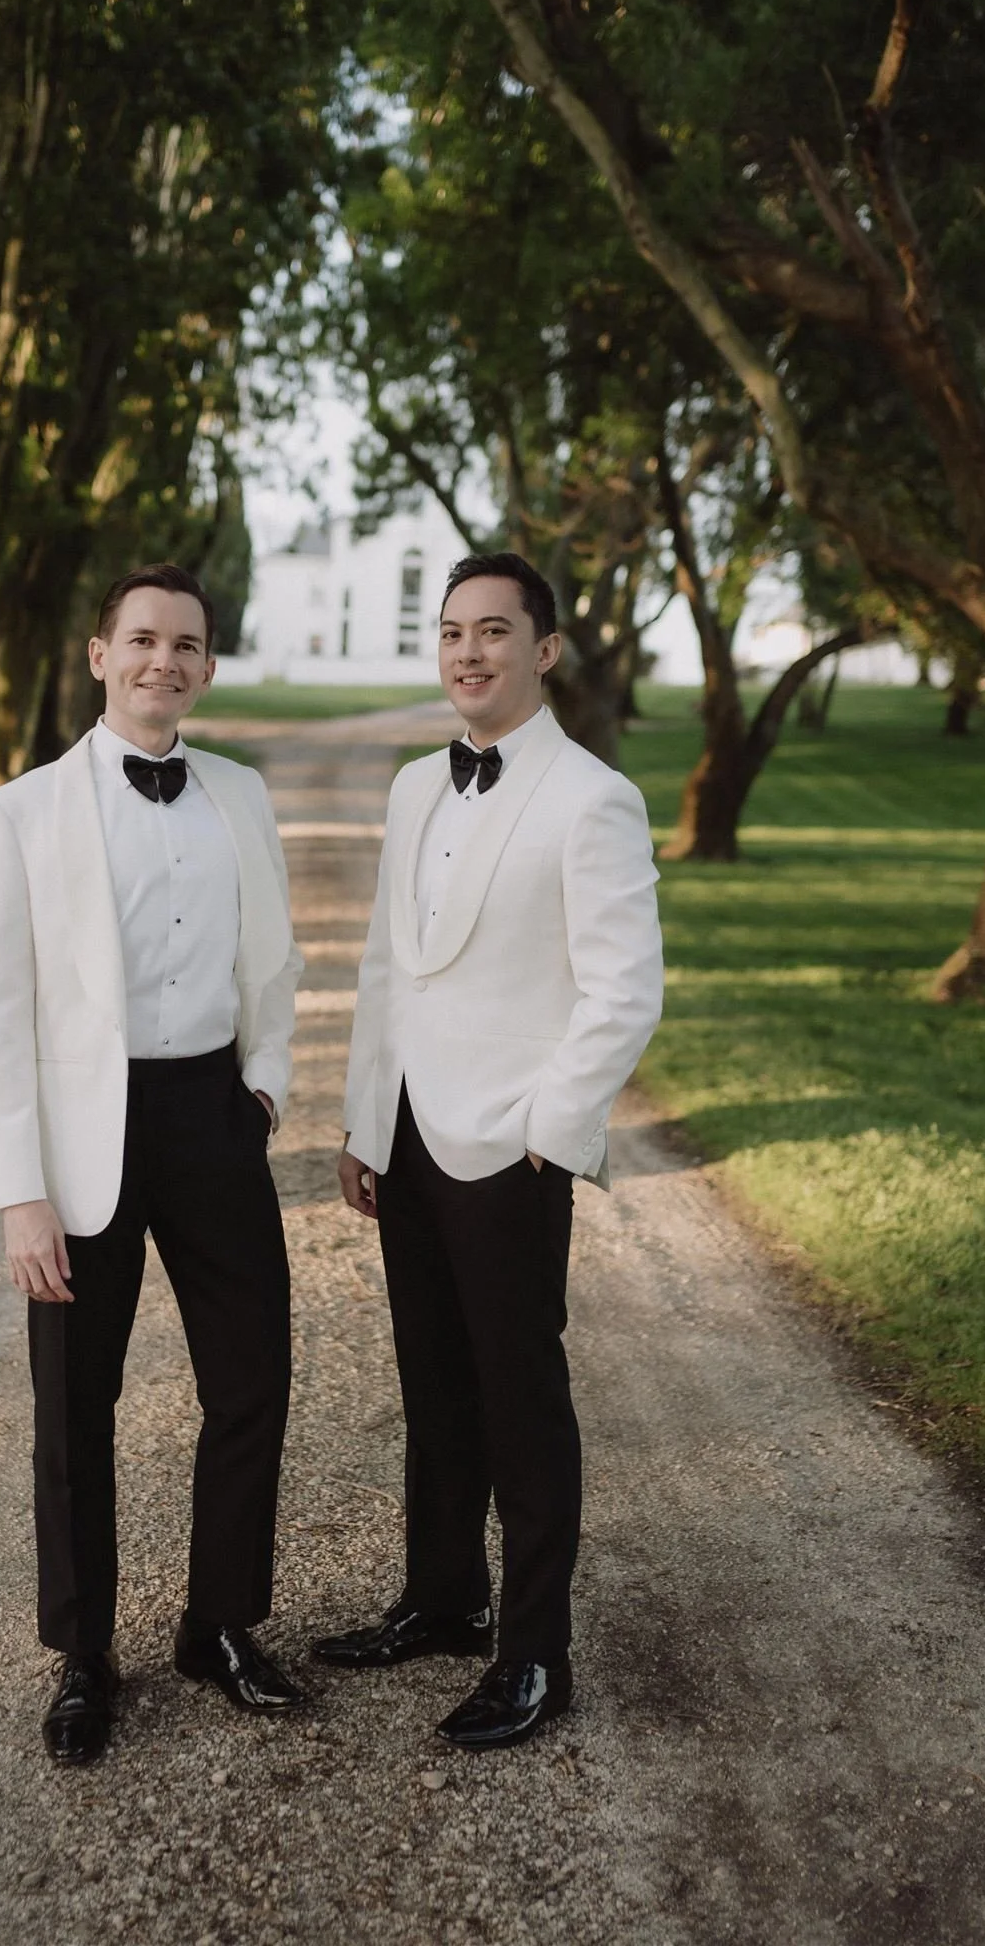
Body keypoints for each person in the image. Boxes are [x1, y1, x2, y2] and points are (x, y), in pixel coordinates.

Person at [314, 551, 663, 1751]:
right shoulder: (416, 785)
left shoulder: (590, 797)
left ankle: (535, 1653)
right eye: (454, 632)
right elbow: (382, 966)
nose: (468, 652)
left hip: (511, 1142)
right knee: (432, 1380)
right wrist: (367, 1120)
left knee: (522, 1398)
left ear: (546, 648)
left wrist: (549, 1134)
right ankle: (443, 1595)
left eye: (495, 632)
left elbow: (623, 993)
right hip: (409, 1130)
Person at [0, 562, 305, 1765]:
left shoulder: (242, 795)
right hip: (78, 1137)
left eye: (189, 645)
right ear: (100, 653)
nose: (166, 660)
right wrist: (18, 1191)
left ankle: (216, 1624)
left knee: (252, 1375)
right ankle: (82, 1653)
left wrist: (262, 1081)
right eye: (144, 639)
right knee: (74, 1406)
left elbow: (273, 955)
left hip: (211, 1111)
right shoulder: (21, 812)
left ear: (208, 667)